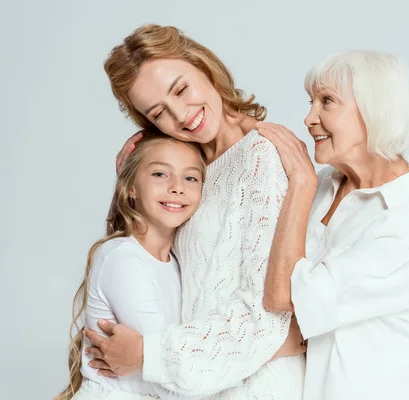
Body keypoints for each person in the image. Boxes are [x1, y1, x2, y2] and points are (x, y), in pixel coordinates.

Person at [83, 24, 305, 399]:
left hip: (255, 386)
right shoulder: (190, 168)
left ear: (203, 64)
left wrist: (147, 355)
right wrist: (135, 179)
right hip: (198, 383)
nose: (183, 115)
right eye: (159, 113)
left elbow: (268, 316)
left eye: (182, 89)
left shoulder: (263, 157)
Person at [257, 50, 409, 400]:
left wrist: (301, 182)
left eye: (327, 101)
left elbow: (282, 298)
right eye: (311, 101)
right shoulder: (328, 184)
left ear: (374, 109)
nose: (308, 118)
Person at [55, 133, 205, 400]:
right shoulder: (122, 258)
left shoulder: (179, 265)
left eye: (190, 177)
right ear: (132, 187)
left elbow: (168, 360)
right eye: (160, 174)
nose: (177, 187)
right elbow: (168, 377)